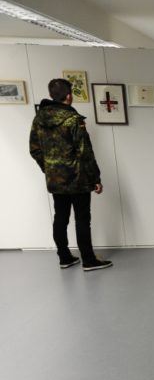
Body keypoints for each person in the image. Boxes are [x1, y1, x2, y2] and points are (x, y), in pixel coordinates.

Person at [29, 78, 112, 271]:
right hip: (78, 179)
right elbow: (85, 152)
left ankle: (64, 258)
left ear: (52, 95)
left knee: (60, 217)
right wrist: (95, 179)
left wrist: (50, 168)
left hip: (55, 180)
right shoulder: (73, 119)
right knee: (82, 219)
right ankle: (89, 260)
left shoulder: (39, 119)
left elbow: (34, 150)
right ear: (68, 96)